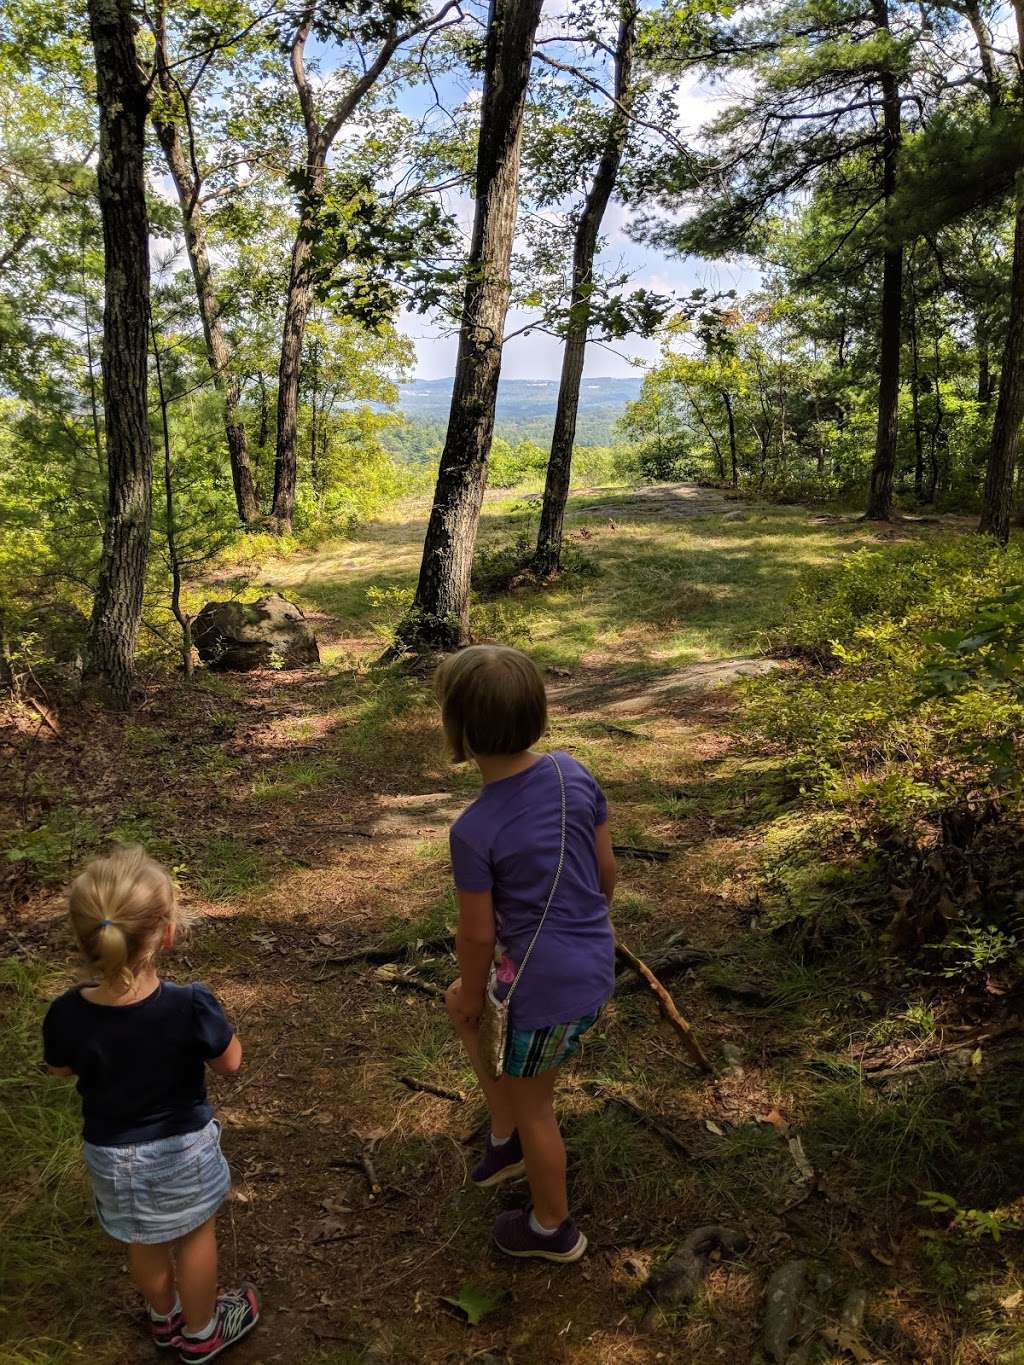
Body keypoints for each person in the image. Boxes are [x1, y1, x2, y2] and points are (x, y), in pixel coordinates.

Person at [42, 844, 260, 1361]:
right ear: (166, 932)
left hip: (112, 1155)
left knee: (144, 1237)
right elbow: (230, 1063)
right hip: (182, 1149)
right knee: (194, 1235)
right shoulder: (190, 1005)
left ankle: (164, 1320)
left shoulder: (67, 1012)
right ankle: (203, 1331)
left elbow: (60, 1068)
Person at [435, 644, 617, 1263]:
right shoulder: (574, 773)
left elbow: (479, 936)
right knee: (518, 1065)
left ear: (457, 730)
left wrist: (467, 989)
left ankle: (552, 1226)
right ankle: (505, 1138)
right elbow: (605, 871)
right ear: (538, 713)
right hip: (594, 959)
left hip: (543, 989)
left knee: (538, 1103)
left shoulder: (474, 830)